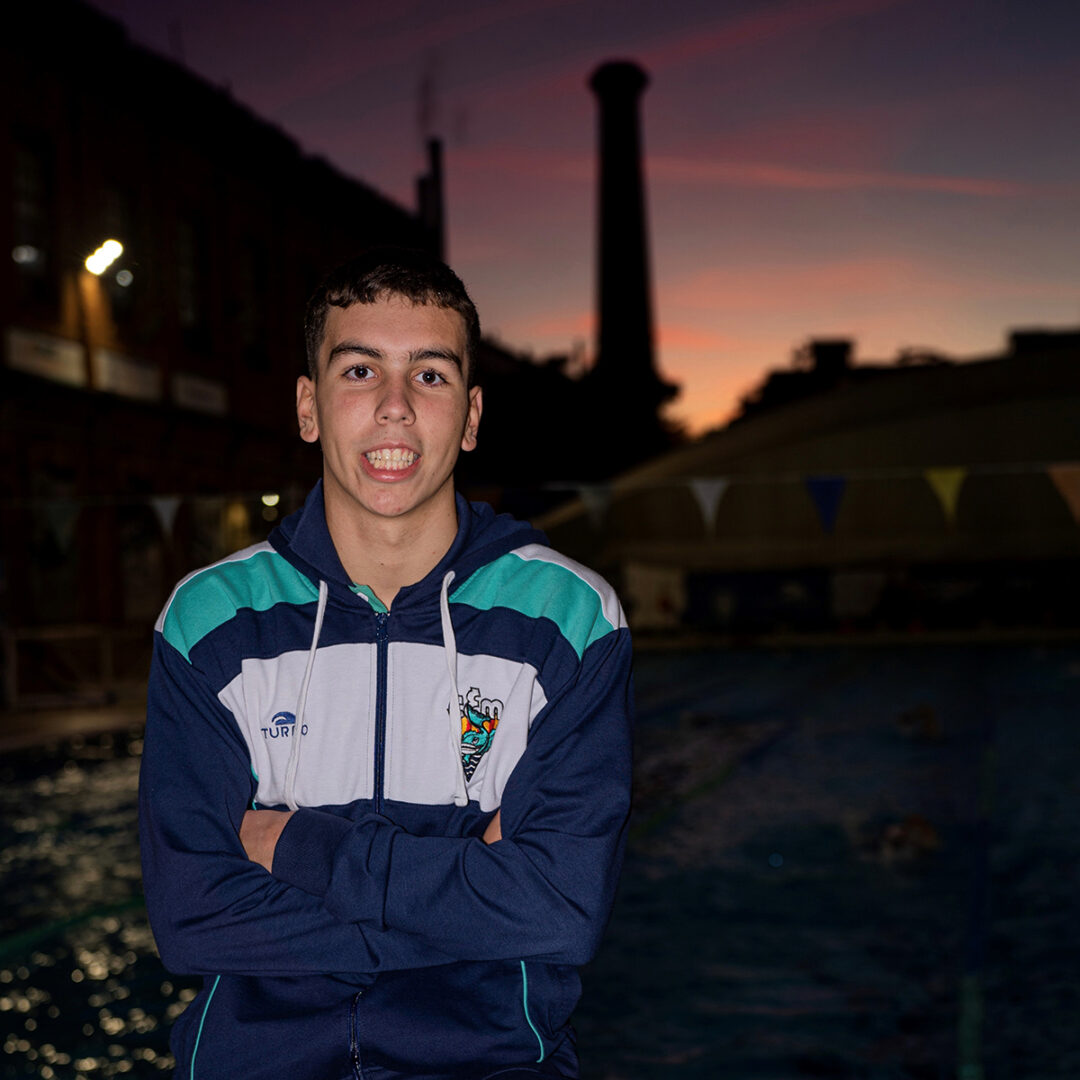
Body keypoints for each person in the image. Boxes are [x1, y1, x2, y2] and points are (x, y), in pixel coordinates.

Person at [139, 247, 634, 1080]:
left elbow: (561, 911)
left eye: (431, 376)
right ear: (309, 406)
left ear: (471, 417)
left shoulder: (568, 619)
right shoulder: (210, 621)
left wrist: (296, 846)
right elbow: (190, 917)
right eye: (360, 370)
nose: (396, 408)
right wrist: (471, 886)